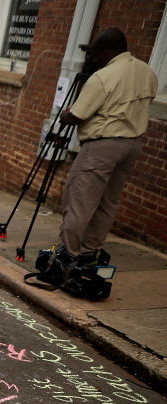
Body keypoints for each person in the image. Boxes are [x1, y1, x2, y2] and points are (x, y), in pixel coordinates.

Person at [58, 27, 158, 265]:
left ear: (107, 51)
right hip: (132, 145)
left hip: (102, 146)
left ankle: (67, 255)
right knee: (108, 202)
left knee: (79, 200)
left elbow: (78, 115)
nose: (95, 60)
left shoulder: (104, 77)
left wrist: (65, 115)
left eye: (97, 54)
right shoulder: (147, 72)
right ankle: (89, 252)